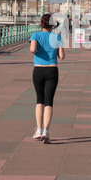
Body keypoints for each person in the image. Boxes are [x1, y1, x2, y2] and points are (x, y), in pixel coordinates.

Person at [29, 14, 65, 144]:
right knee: (49, 101)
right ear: (52, 25)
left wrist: (39, 50)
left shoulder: (35, 35)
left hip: (38, 69)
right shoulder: (57, 37)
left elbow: (32, 49)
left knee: (40, 100)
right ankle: (46, 131)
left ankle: (38, 130)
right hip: (52, 70)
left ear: (41, 24)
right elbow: (62, 56)